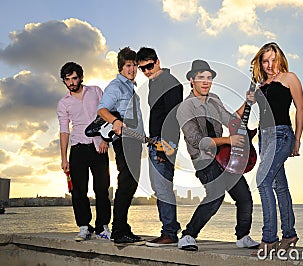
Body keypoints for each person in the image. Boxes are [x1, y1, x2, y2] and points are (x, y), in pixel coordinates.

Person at [176, 59, 259, 251]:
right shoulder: (185, 107)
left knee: (244, 197)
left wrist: (248, 103)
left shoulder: (214, 99)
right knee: (215, 195)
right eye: (201, 78)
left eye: (209, 78)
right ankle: (188, 236)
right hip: (204, 159)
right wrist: (229, 141)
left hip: (224, 157)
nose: (206, 81)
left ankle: (243, 236)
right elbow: (198, 141)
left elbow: (231, 120)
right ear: (191, 80)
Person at [251, 42, 303, 255]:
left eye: (273, 59)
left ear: (280, 58)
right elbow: (239, 113)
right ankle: (290, 233)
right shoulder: (260, 86)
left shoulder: (289, 78)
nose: (269, 64)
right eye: (265, 61)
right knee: (279, 185)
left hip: (282, 134)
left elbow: (301, 108)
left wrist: (297, 140)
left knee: (263, 180)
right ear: (260, 63)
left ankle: (269, 238)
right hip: (264, 139)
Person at [57, 62, 111, 241]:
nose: (71, 82)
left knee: (102, 188)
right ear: (64, 81)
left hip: (99, 147)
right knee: (78, 191)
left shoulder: (95, 91)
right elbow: (64, 130)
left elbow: (107, 115)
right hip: (78, 149)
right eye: (67, 79)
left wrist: (105, 139)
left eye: (74, 78)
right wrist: (64, 158)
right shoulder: (63, 103)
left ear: (81, 77)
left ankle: (103, 226)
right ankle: (83, 227)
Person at [97, 47, 145, 245]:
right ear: (121, 67)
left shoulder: (131, 88)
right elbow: (102, 109)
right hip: (124, 139)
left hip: (134, 139)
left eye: (134, 65)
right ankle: (118, 231)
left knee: (131, 183)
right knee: (126, 182)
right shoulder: (116, 86)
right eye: (128, 65)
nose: (132, 69)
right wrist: (115, 122)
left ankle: (123, 227)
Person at [136, 47, 183, 247]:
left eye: (149, 66)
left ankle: (170, 233)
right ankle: (170, 228)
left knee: (162, 188)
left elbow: (174, 117)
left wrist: (167, 146)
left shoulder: (170, 83)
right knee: (160, 187)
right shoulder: (154, 84)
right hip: (155, 141)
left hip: (164, 143)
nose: (146, 71)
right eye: (142, 69)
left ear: (157, 61)